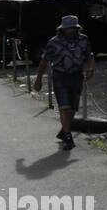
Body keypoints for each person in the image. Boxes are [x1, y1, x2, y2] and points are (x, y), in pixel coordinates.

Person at [33, 14, 95, 151]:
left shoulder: (84, 40)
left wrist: (90, 69)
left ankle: (64, 131)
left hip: (76, 76)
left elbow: (89, 56)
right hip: (60, 77)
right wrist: (38, 80)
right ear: (62, 29)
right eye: (68, 29)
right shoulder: (54, 42)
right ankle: (68, 137)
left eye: (73, 28)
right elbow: (43, 63)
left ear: (77, 28)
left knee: (73, 108)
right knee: (64, 107)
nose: (70, 31)